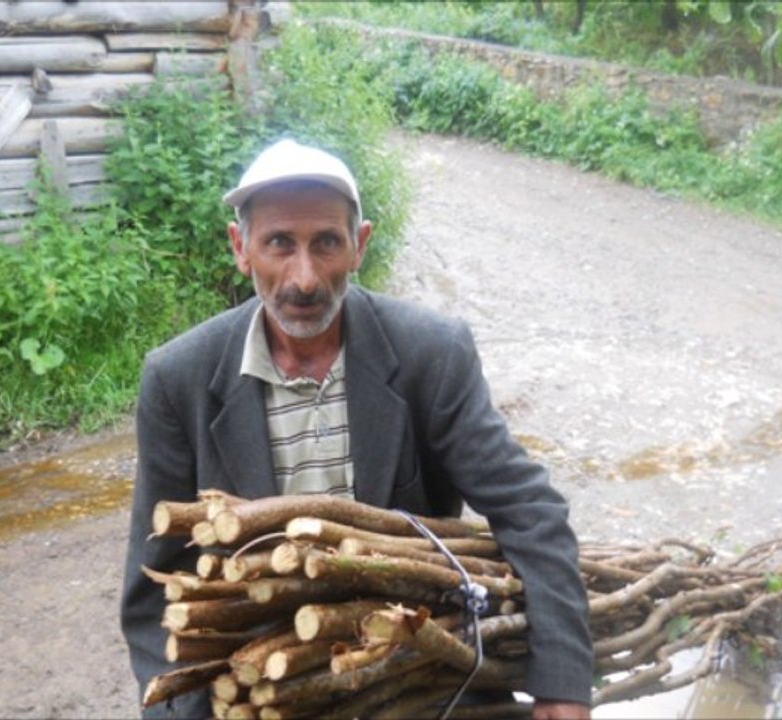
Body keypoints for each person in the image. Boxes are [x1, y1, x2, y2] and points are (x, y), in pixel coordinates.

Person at [120, 138, 593, 719]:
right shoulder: (179, 378)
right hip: (263, 685)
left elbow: (529, 510)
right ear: (241, 248)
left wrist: (562, 681)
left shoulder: (430, 353)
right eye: (278, 244)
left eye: (326, 243)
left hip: (412, 671)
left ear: (359, 245)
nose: (304, 278)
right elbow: (153, 590)